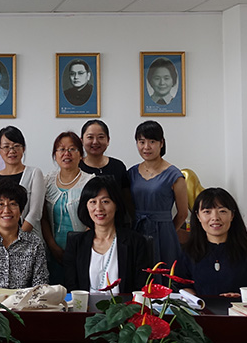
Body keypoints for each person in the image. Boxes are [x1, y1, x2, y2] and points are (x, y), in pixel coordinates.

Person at [173, 188, 247, 296]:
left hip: (242, 306)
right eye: (207, 212)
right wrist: (195, 299)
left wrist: (242, 299)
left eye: (222, 211)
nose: (215, 218)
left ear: (232, 215)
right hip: (203, 307)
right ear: (198, 216)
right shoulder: (187, 252)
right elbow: (181, 287)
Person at [63, 176, 151, 293]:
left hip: (124, 305)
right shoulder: (76, 243)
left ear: (116, 205)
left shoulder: (136, 242)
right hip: (84, 305)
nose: (99, 208)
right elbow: (71, 287)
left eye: (105, 201)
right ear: (86, 206)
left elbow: (141, 287)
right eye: (93, 202)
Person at [128, 120, 189, 265]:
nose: (146, 147)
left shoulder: (174, 175)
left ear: (161, 143)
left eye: (152, 141)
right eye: (141, 142)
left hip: (163, 233)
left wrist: (167, 230)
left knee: (164, 271)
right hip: (137, 230)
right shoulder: (131, 173)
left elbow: (183, 213)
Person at [41, 132, 93, 285]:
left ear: (81, 154)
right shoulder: (47, 181)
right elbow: (43, 218)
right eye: (61, 149)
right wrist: (53, 246)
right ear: (55, 155)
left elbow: (95, 219)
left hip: (83, 250)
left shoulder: (90, 181)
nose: (66, 153)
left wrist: (79, 247)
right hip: (54, 251)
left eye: (72, 149)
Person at [0, 126, 45, 239]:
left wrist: (15, 239)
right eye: (6, 147)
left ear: (23, 148)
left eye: (16, 146)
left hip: (29, 239)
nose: (12, 151)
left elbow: (35, 213)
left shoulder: (34, 173)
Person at [79, 119, 131, 203]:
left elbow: (126, 200)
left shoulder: (118, 166)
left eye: (101, 137)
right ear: (81, 140)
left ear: (108, 140)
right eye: (90, 137)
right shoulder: (76, 167)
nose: (95, 142)